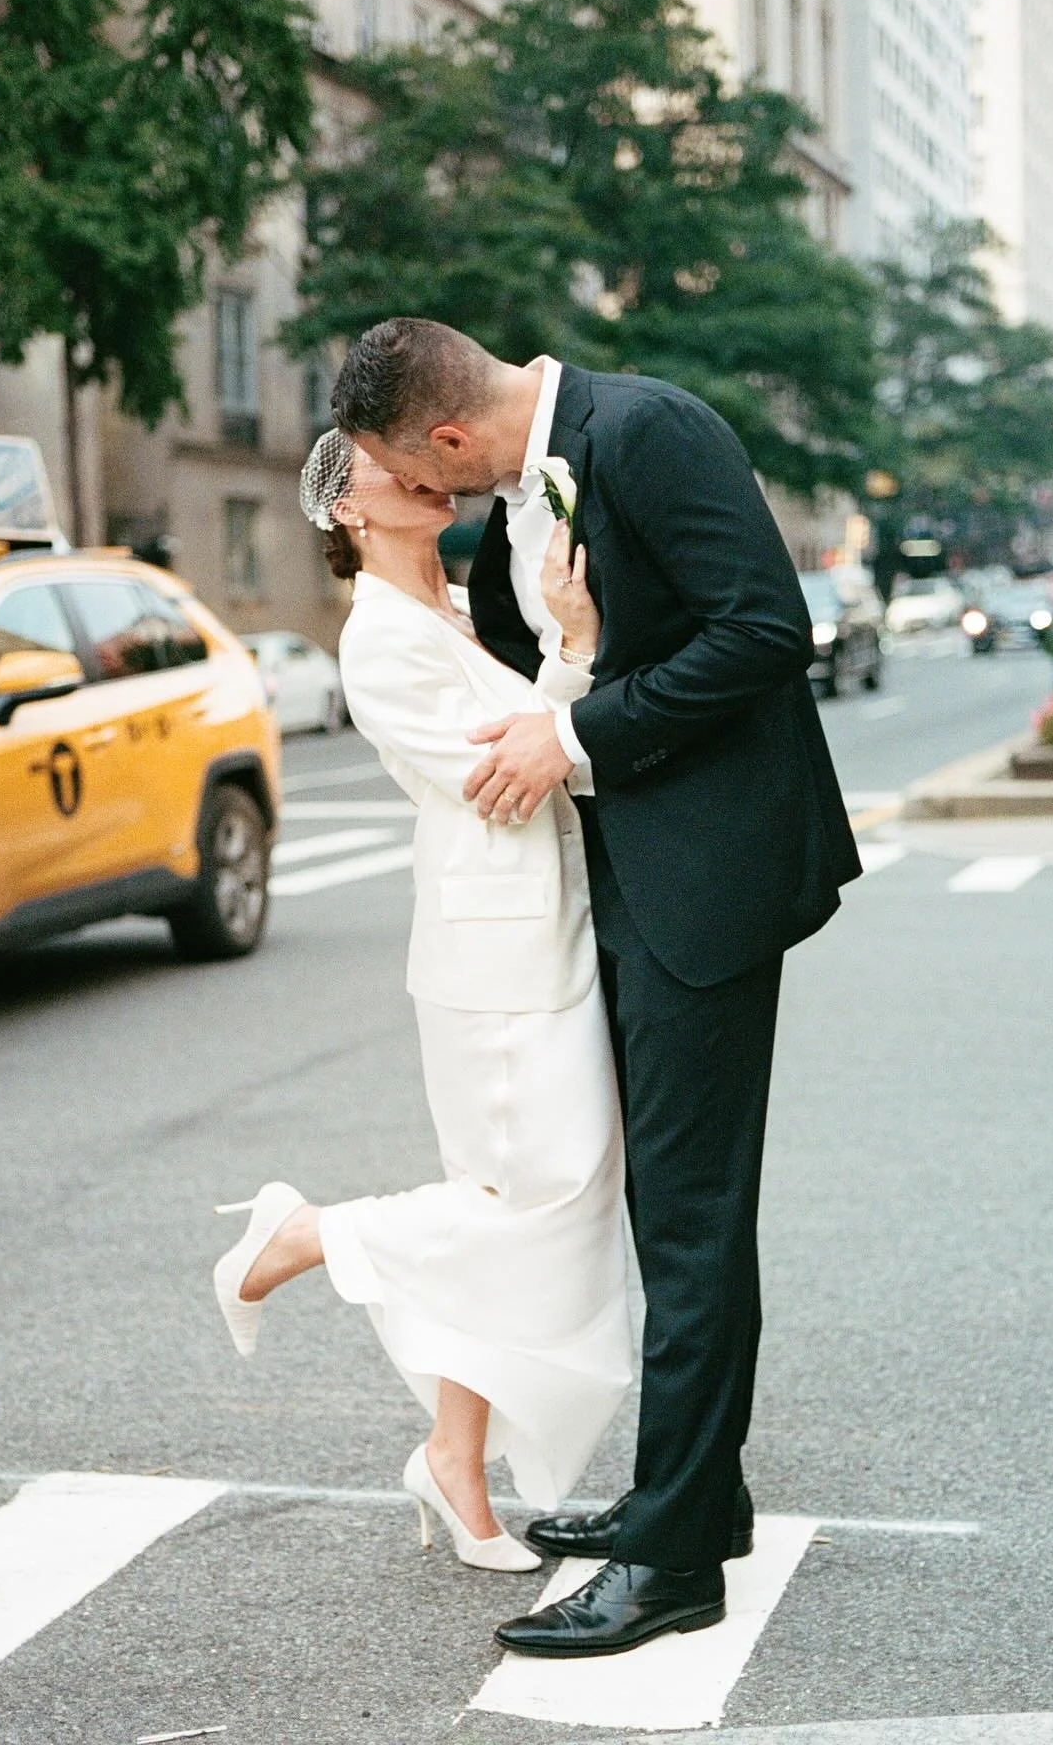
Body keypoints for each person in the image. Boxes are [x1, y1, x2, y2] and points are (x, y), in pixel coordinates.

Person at [330, 319, 861, 1659]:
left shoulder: (647, 430)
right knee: (659, 1206)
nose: (435, 504)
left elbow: (764, 628)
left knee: (688, 1221)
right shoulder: (533, 480)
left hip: (706, 880)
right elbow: (557, 657)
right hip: (621, 878)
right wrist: (567, 675)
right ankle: (697, 1497)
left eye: (422, 474)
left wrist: (574, 727)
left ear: (444, 434)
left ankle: (674, 1562)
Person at [212, 430, 631, 1575]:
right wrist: (576, 684)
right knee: (533, 1203)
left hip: (547, 933)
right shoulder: (378, 643)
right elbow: (500, 779)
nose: (422, 471)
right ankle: (307, 1234)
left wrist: (573, 643)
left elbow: (534, 740)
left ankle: (454, 1457)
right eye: (393, 466)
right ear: (350, 507)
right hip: (491, 963)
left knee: (531, 1196)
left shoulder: (452, 605)